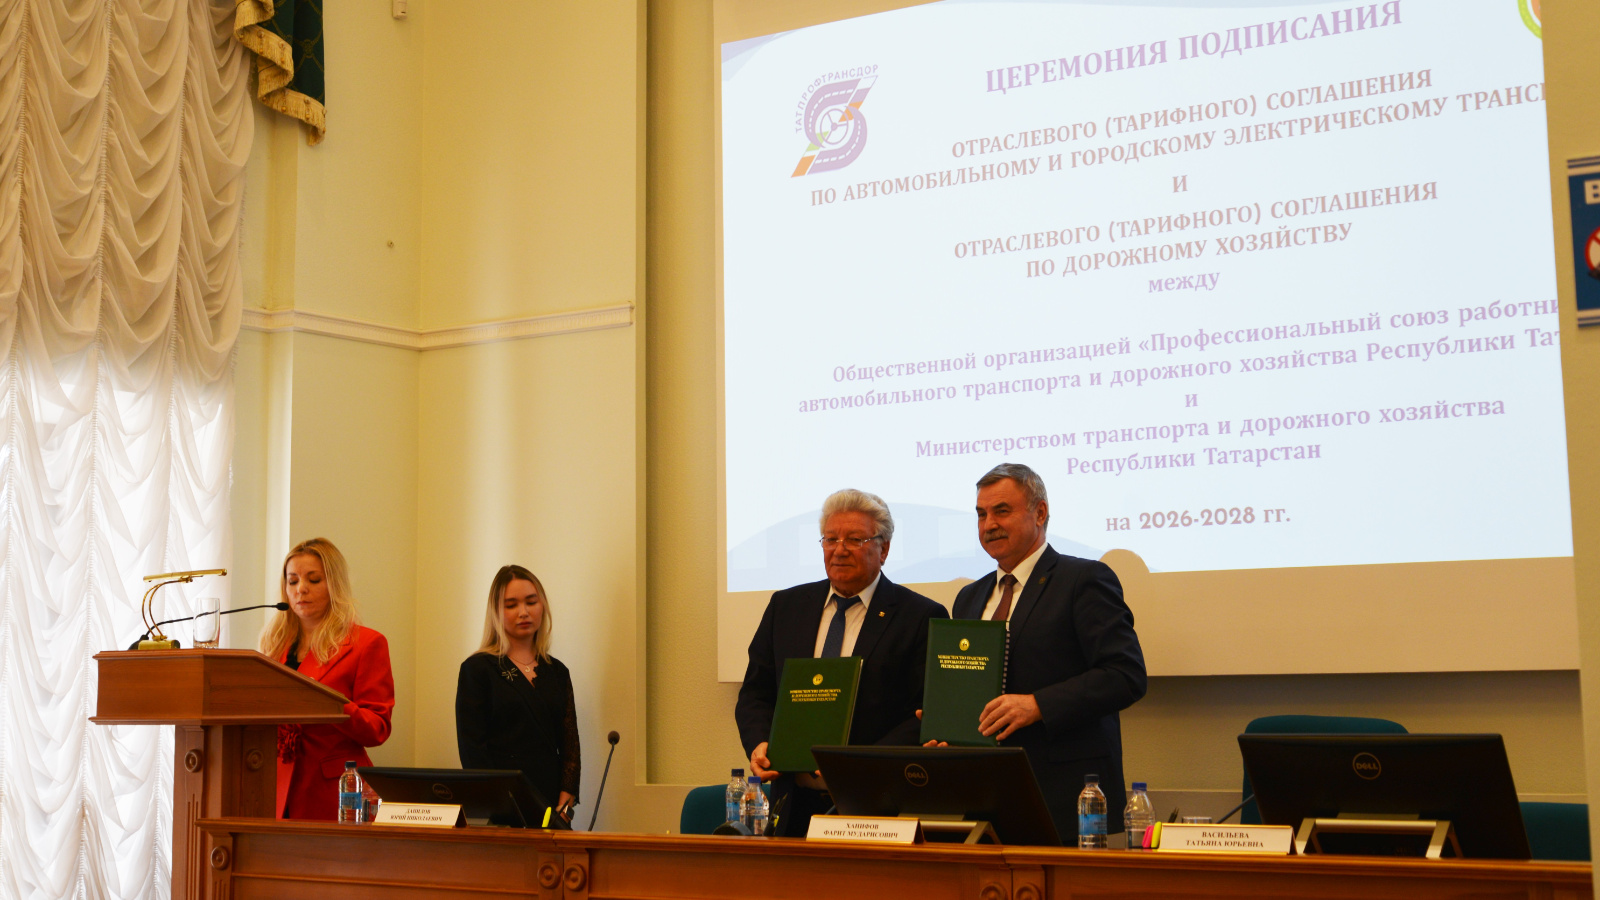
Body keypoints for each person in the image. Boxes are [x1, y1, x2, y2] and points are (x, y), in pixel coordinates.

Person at [736, 489, 949, 836]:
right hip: (792, 803)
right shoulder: (786, 607)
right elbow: (756, 693)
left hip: (877, 803)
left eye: (855, 539)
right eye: (831, 539)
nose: (839, 549)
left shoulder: (920, 616)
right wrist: (760, 742)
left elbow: (924, 712)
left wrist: (856, 765)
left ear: (884, 549)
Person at [951, 463, 1147, 841]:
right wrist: (948, 718)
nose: (989, 524)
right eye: (981, 514)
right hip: (986, 793)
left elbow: (1125, 676)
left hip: (1064, 796)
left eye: (1001, 511)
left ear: (1039, 513)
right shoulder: (969, 597)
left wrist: (1037, 705)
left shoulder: (1083, 579)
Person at [261, 538, 396, 820]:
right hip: (272, 787)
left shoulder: (366, 643)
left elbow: (377, 728)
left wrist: (330, 702)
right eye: (292, 581)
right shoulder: (273, 647)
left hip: (333, 790)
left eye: (313, 579)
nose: (301, 589)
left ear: (334, 584)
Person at [455, 565, 580, 822]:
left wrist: (565, 804)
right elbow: (473, 751)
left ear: (542, 606)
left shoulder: (557, 672)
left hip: (552, 806)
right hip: (503, 807)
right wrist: (500, 804)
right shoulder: (477, 669)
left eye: (531, 602)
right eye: (511, 605)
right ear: (496, 612)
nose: (523, 612)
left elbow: (570, 747)